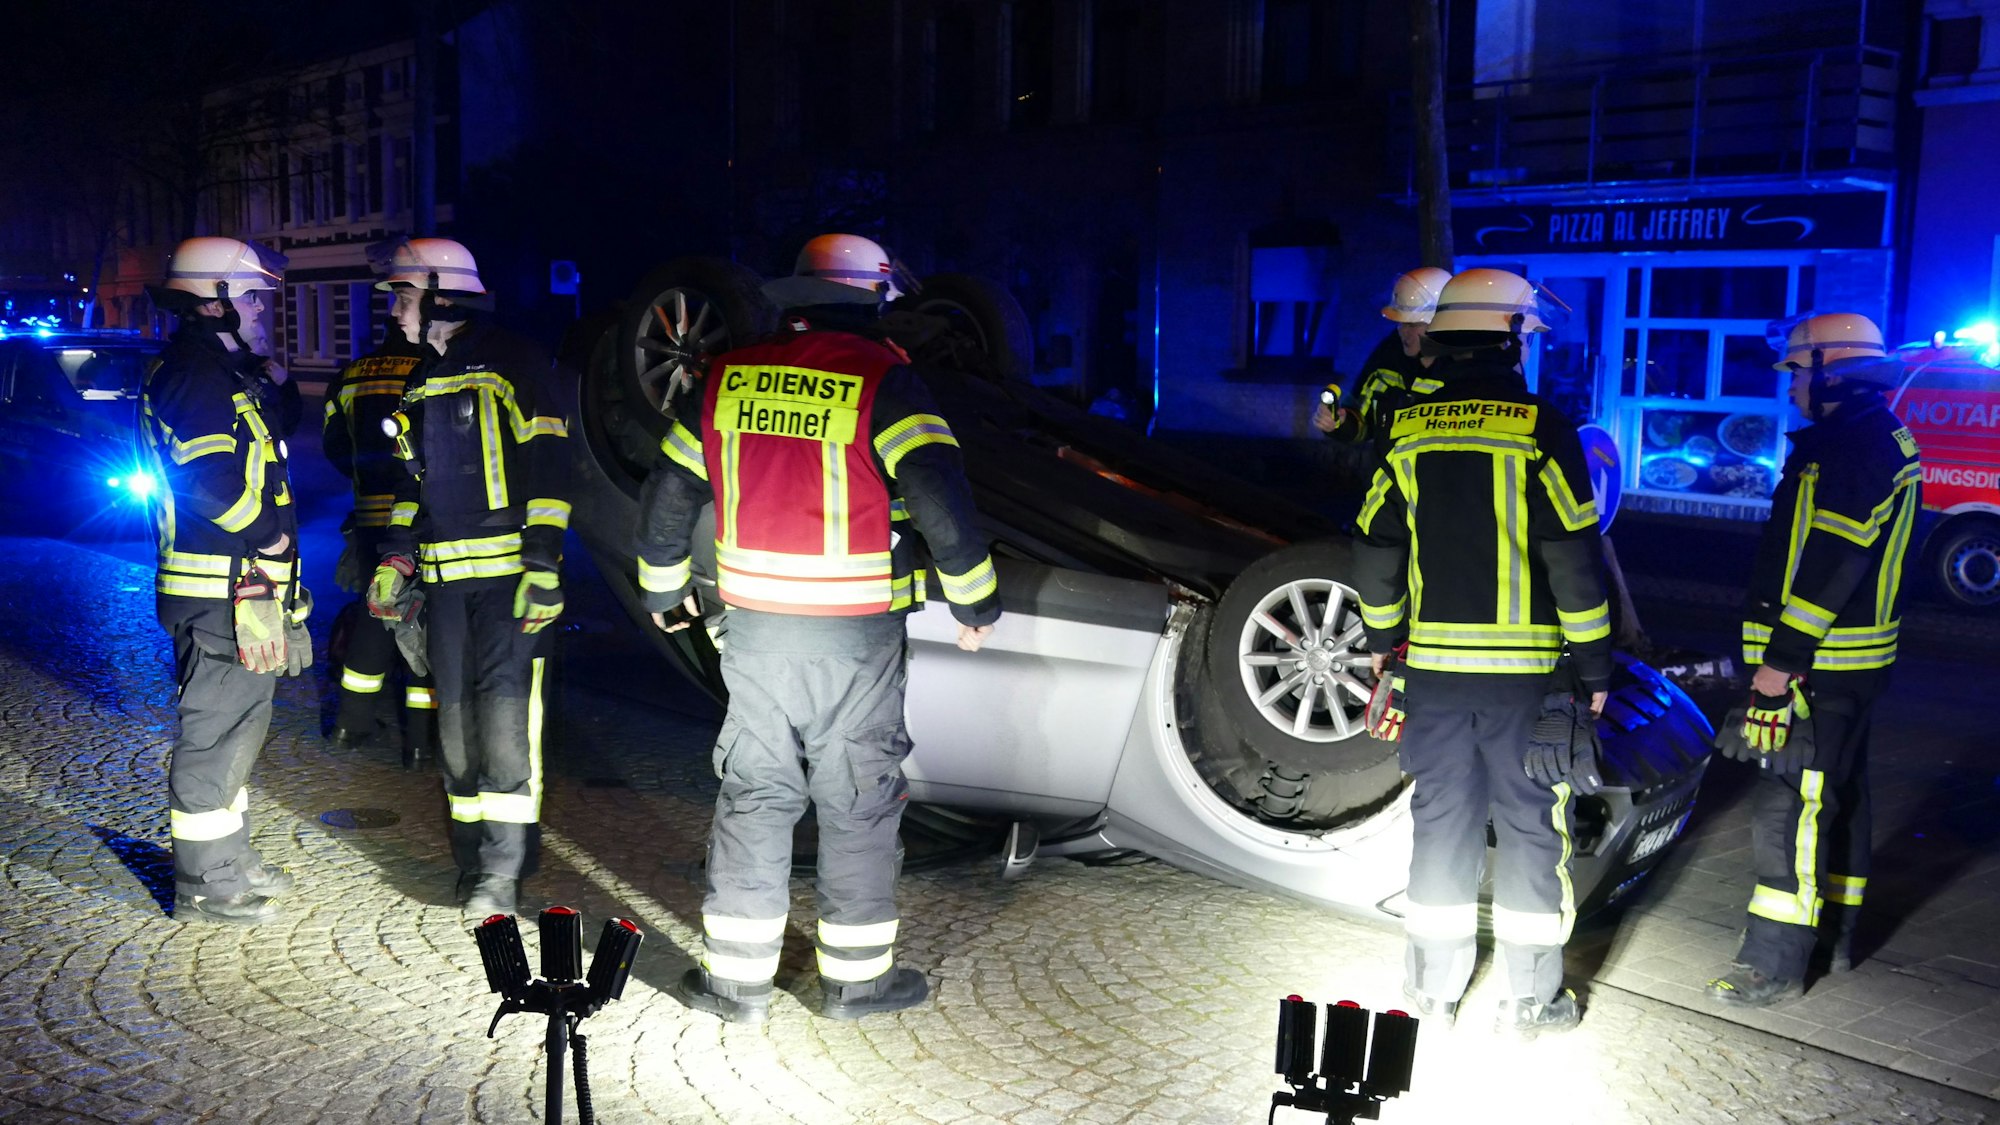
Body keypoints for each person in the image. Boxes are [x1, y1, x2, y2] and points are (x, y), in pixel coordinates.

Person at [637, 232, 1002, 1024]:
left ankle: (735, 985)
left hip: (756, 632)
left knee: (757, 792)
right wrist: (974, 603)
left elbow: (669, 494)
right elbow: (939, 495)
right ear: (874, 299)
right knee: (859, 798)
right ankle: (856, 983)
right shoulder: (885, 381)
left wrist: (662, 590)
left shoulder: (727, 379)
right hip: (855, 639)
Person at [1350, 267, 1612, 1038]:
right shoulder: (1543, 428)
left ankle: (1432, 989)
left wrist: (1379, 643)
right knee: (1532, 825)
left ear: (1444, 337)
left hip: (1429, 673)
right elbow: (1573, 558)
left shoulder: (1404, 428)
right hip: (1528, 681)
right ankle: (1532, 998)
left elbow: (1374, 546)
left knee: (1440, 822)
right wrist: (1593, 667)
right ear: (1509, 337)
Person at [1705, 313, 1921, 1007]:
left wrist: (1779, 663)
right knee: (1841, 798)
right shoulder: (1872, 437)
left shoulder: (1850, 448)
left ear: (1831, 369)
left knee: (1788, 806)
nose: (1791, 385)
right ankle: (1837, 936)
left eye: (1798, 370)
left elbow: (1830, 562)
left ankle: (1772, 962)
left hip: (1816, 669)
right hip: (1851, 666)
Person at [363, 237, 571, 919]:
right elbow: (408, 481)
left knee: (506, 725)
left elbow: (548, 469)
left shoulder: (517, 363)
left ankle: (504, 869)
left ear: (442, 292)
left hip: (511, 587)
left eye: (403, 294)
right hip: (445, 589)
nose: (394, 309)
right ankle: (470, 856)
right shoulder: (422, 377)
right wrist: (395, 556)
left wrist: (542, 566)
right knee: (454, 726)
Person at [137, 236, 308, 925]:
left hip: (239, 590)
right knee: (214, 734)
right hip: (219, 590)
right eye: (254, 295)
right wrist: (269, 534)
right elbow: (207, 480)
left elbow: (275, 431)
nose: (266, 306)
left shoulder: (219, 370)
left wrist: (274, 375)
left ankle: (229, 861)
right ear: (214, 300)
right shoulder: (195, 374)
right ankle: (205, 883)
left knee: (240, 727)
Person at [323, 292, 434, 766]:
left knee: (373, 616)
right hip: (422, 516)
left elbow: (333, 444)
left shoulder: (353, 372)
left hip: (370, 514)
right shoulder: (431, 367)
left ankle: (351, 724)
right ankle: (418, 743)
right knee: (422, 625)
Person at [1312, 266, 1451, 459]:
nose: (1402, 331)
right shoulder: (1389, 357)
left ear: (1439, 323)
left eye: (1412, 324)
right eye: (1400, 322)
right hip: (1397, 486)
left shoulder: (1466, 367)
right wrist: (1339, 423)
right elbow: (1362, 423)